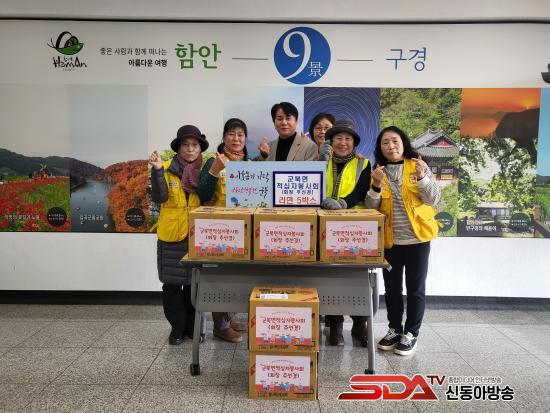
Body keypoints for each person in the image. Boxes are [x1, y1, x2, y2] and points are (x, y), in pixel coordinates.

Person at [368, 126, 440, 355]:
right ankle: (394, 330)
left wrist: (423, 177)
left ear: (403, 143)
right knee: (391, 289)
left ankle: (411, 333)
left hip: (418, 240)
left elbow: (434, 199)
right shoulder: (377, 171)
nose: (391, 146)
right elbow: (371, 208)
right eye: (385, 143)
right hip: (390, 242)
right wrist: (375, 185)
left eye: (395, 141)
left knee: (415, 289)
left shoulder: (418, 165)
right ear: (380, 148)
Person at [149, 124, 210, 345]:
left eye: (194, 145)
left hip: (198, 235)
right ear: (178, 148)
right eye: (185, 145)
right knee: (171, 287)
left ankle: (193, 328)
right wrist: (157, 171)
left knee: (195, 287)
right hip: (172, 236)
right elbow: (160, 197)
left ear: (200, 148)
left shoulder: (207, 170)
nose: (190, 149)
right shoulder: (165, 168)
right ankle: (177, 328)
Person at [319, 119, 372, 347]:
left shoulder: (363, 163)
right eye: (338, 138)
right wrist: (320, 163)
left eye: (347, 139)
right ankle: (336, 325)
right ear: (331, 141)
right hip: (326, 225)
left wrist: (343, 203)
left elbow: (362, 191)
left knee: (357, 277)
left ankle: (360, 324)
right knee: (331, 277)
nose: (343, 143)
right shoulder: (322, 160)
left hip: (354, 227)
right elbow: (311, 185)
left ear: (354, 142)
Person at [197, 118, 250, 343]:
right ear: (224, 137)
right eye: (231, 134)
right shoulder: (214, 160)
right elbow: (203, 194)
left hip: (244, 228)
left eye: (240, 134)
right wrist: (214, 171)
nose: (236, 138)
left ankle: (229, 318)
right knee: (223, 277)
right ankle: (221, 326)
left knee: (240, 276)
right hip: (221, 229)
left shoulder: (248, 162)